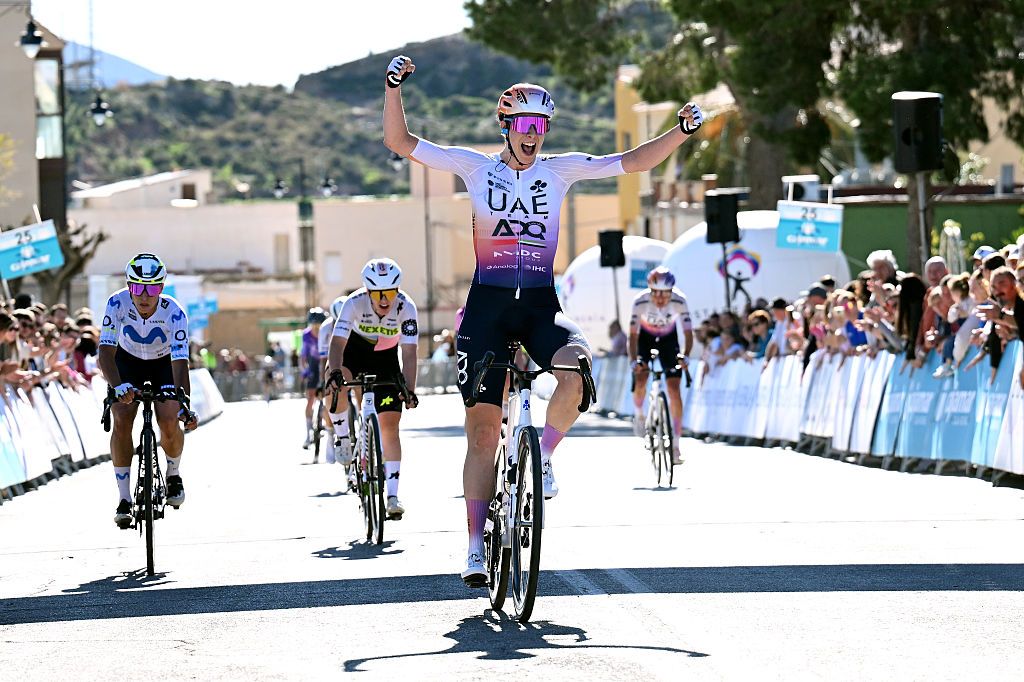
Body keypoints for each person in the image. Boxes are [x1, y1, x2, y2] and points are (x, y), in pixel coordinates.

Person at [383, 55, 704, 586]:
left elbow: (635, 160)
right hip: (487, 307)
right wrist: (393, 89)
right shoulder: (473, 167)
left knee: (578, 373)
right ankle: (473, 547)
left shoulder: (561, 170)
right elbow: (401, 142)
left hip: (539, 305)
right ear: (506, 127)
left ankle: (545, 456)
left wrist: (681, 132)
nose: (533, 135)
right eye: (524, 125)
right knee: (483, 435)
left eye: (541, 126)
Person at [97, 253, 198, 529]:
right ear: (129, 285)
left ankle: (174, 474)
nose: (144, 295)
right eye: (137, 287)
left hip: (164, 364)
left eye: (152, 288)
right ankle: (124, 499)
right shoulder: (116, 303)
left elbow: (180, 361)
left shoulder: (174, 312)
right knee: (122, 416)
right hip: (127, 363)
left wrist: (184, 404)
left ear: (161, 288)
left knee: (168, 416)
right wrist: (118, 386)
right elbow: (105, 352)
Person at [325, 258, 420, 520]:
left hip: (385, 356)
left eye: (390, 293)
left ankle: (392, 495)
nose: (385, 300)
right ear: (367, 291)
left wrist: (409, 389)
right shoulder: (353, 303)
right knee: (336, 384)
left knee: (390, 425)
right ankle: (343, 437)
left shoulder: (406, 307)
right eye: (378, 294)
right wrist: (334, 372)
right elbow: (337, 344)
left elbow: (410, 352)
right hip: (353, 350)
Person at [628, 267, 694, 464]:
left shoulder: (680, 301)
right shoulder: (640, 302)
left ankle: (676, 446)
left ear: (671, 291)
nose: (659, 298)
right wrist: (634, 360)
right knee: (641, 378)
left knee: (674, 389)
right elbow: (633, 335)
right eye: (655, 292)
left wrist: (686, 355)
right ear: (649, 290)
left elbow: (689, 332)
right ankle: (639, 415)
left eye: (664, 293)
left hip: (668, 340)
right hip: (645, 340)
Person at [314, 295, 348, 463]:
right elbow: (322, 359)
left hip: (349, 359)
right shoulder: (325, 328)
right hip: (330, 359)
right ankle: (329, 433)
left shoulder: (353, 321)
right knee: (330, 396)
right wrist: (323, 381)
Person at [300, 306, 327, 452]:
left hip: (324, 364)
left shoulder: (326, 332)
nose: (316, 328)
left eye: (318, 325)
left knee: (327, 397)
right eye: (313, 325)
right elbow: (303, 356)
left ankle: (326, 423)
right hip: (312, 366)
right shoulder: (306, 335)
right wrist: (304, 371)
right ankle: (308, 432)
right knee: (310, 399)